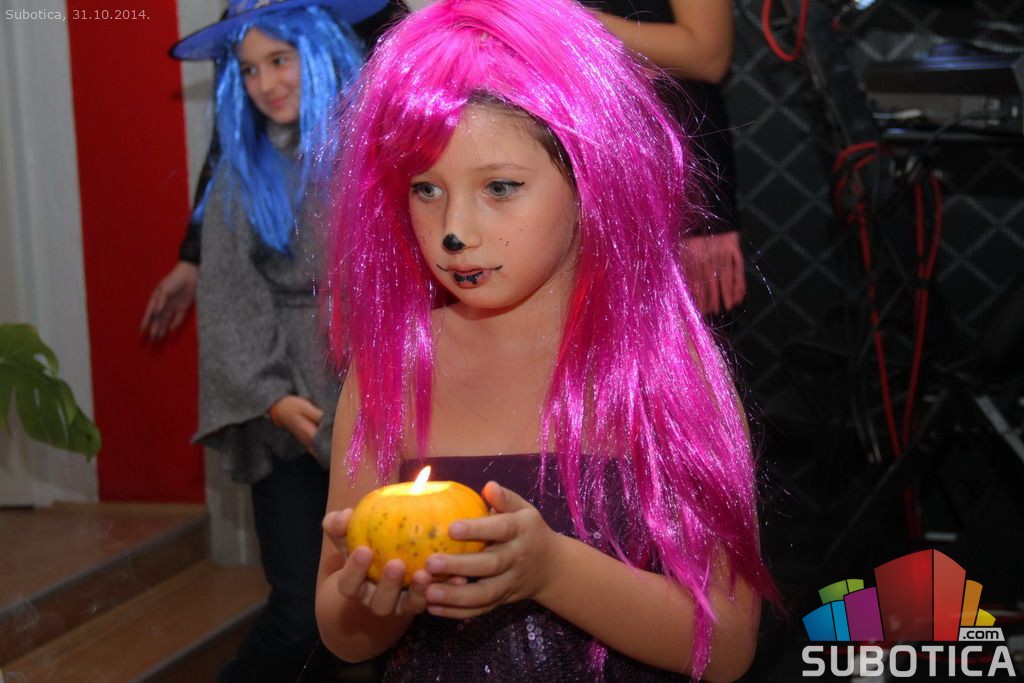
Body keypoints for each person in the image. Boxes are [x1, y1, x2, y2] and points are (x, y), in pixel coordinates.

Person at [315, 0, 776, 679]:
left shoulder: (659, 369)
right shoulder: (397, 365)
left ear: (591, 180)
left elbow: (727, 645)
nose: (454, 230)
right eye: (426, 190)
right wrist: (374, 596)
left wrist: (552, 570)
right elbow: (343, 636)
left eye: (500, 187)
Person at [166, 0, 384, 679]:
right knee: (299, 612)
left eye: (279, 60)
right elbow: (230, 296)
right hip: (290, 407)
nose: (265, 83)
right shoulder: (241, 175)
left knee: (385, 601)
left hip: (378, 403)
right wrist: (272, 398)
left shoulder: (381, 155)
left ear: (318, 52)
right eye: (249, 69)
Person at [590, 0, 746, 316]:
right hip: (566, 160)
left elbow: (708, 54)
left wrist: (569, 21)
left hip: (665, 172)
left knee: (669, 333)